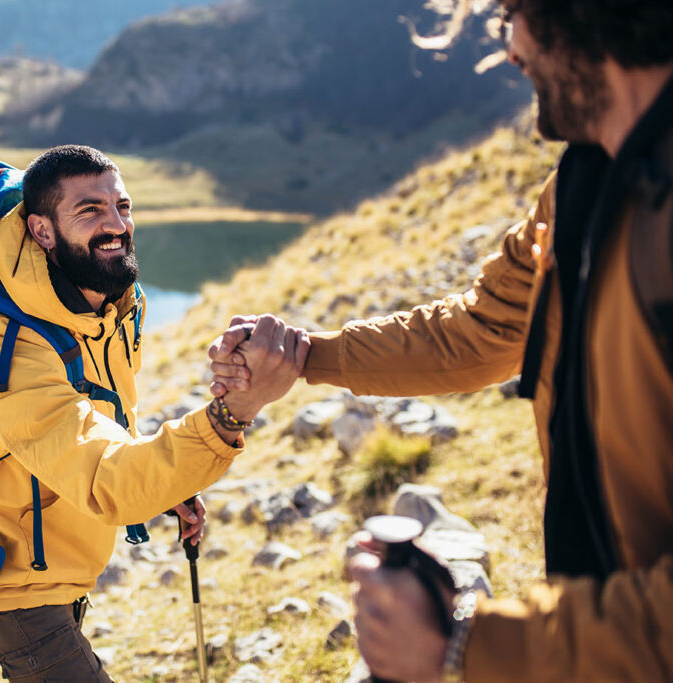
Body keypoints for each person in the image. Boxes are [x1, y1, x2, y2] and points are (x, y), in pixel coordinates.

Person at [209, 1, 673, 679]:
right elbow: (477, 330)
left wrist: (466, 644)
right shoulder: (583, 181)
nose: (510, 49)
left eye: (515, 12)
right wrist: (307, 355)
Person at [0, 144, 309, 682]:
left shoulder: (111, 304)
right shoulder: (5, 351)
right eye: (90, 211)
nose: (116, 225)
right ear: (41, 231)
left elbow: (106, 414)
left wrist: (164, 482)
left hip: (62, 559)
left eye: (123, 206)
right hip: (10, 582)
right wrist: (233, 413)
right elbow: (107, 479)